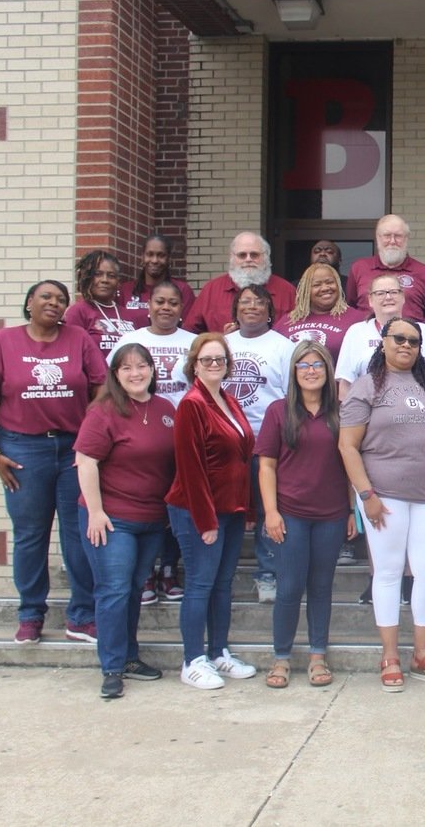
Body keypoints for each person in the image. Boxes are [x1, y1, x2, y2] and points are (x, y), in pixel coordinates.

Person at [0, 279, 106, 645]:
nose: (55, 303)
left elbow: (102, 386)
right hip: (22, 450)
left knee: (79, 535)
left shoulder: (78, 338)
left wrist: (89, 427)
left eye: (61, 299)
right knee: (31, 535)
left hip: (72, 448)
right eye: (46, 296)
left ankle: (82, 615)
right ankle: (30, 613)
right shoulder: (4, 341)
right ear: (29, 302)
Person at [339, 317, 425, 691]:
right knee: (389, 573)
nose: (406, 345)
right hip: (384, 497)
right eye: (399, 339)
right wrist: (367, 496)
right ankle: (389, 654)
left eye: (413, 340)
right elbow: (347, 446)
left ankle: (422, 653)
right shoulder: (366, 386)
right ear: (383, 342)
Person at [75, 343, 175, 698]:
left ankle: (130, 657)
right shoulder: (104, 411)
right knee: (114, 590)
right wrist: (96, 511)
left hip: (151, 520)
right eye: (127, 368)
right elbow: (85, 462)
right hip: (111, 518)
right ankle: (112, 667)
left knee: (133, 590)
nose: (136, 373)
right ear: (115, 374)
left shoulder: (166, 410)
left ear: (152, 369)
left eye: (142, 366)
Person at [257, 341, 353, 689]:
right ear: (293, 372)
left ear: (328, 371)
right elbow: (266, 465)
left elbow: (349, 465)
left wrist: (351, 510)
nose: (311, 370)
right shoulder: (278, 411)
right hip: (291, 513)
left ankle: (317, 655)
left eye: (317, 364)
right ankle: (281, 657)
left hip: (330, 514)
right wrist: (271, 512)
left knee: (321, 585)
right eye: (303, 365)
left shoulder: (342, 412)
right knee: (290, 586)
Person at [165, 332, 258, 689]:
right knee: (201, 585)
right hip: (197, 511)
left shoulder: (227, 400)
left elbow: (240, 457)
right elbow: (190, 468)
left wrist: (246, 509)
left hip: (230, 509)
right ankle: (192, 660)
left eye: (220, 359)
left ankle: (219, 652)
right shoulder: (192, 404)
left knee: (222, 584)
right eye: (207, 360)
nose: (215, 365)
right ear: (194, 365)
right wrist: (205, 521)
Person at [110, 279, 195, 604]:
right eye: (160, 301)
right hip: (138, 435)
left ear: (181, 307)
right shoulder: (131, 340)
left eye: (173, 302)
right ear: (149, 305)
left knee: (174, 505)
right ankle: (147, 572)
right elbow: (113, 385)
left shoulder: (192, 341)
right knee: (144, 503)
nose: (166, 307)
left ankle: (170, 568)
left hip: (181, 435)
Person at [224, 285, 294, 603]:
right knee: (228, 508)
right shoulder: (221, 345)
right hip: (225, 442)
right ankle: (223, 572)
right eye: (245, 302)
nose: (252, 306)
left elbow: (293, 396)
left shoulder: (283, 346)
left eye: (259, 302)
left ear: (270, 310)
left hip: (267, 441)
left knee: (269, 510)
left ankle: (268, 574)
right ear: (235, 309)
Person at [336, 273, 425, 398]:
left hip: (419, 411)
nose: (388, 297)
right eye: (380, 293)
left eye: (394, 292)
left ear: (403, 297)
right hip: (369, 411)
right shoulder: (356, 332)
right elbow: (345, 385)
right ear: (370, 300)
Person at [185, 231, 296, 334]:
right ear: (232, 258)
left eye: (254, 255)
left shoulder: (287, 291)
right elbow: (190, 333)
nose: (248, 259)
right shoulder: (211, 290)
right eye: (242, 255)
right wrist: (221, 340)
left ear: (266, 257)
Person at [346, 214, 425, 329]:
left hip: (409, 343)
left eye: (398, 236)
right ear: (378, 238)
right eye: (387, 235)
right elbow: (349, 310)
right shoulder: (358, 268)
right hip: (366, 343)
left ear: (406, 239)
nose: (392, 241)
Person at [276, 262, 366, 364]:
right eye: (317, 285)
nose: (325, 288)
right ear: (306, 290)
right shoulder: (287, 321)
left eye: (330, 282)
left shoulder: (357, 319)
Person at [64, 250, 148, 357]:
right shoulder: (78, 311)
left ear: (118, 282)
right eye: (98, 274)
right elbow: (73, 354)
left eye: (111, 275)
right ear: (86, 277)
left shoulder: (130, 315)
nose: (105, 280)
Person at [118, 234, 195, 317]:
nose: (154, 260)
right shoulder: (125, 290)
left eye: (161, 255)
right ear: (142, 257)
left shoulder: (182, 290)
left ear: (169, 259)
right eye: (150, 254)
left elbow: (187, 327)